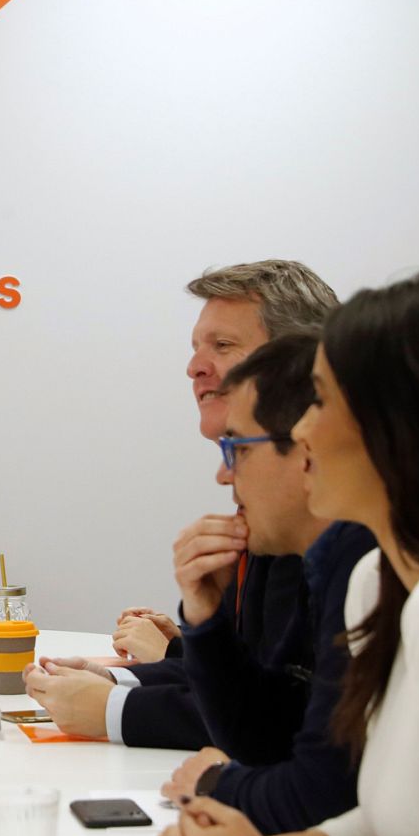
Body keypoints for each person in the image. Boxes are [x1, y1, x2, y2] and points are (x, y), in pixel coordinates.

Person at [154, 271, 419, 836]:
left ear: (400, 429)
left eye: (322, 402)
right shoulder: (377, 582)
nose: (302, 430)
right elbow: (386, 829)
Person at [29, 262, 339, 749]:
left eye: (222, 345)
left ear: (295, 363)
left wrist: (113, 708)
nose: (195, 367)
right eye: (195, 347)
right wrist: (139, 671)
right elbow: (260, 690)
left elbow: (290, 723)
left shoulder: (332, 526)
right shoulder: (272, 511)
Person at [158, 334, 375, 833]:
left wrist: (216, 786)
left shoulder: (364, 561)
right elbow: (273, 736)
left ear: (308, 446)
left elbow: (325, 793)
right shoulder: (329, 557)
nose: (221, 474)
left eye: (235, 447)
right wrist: (205, 618)